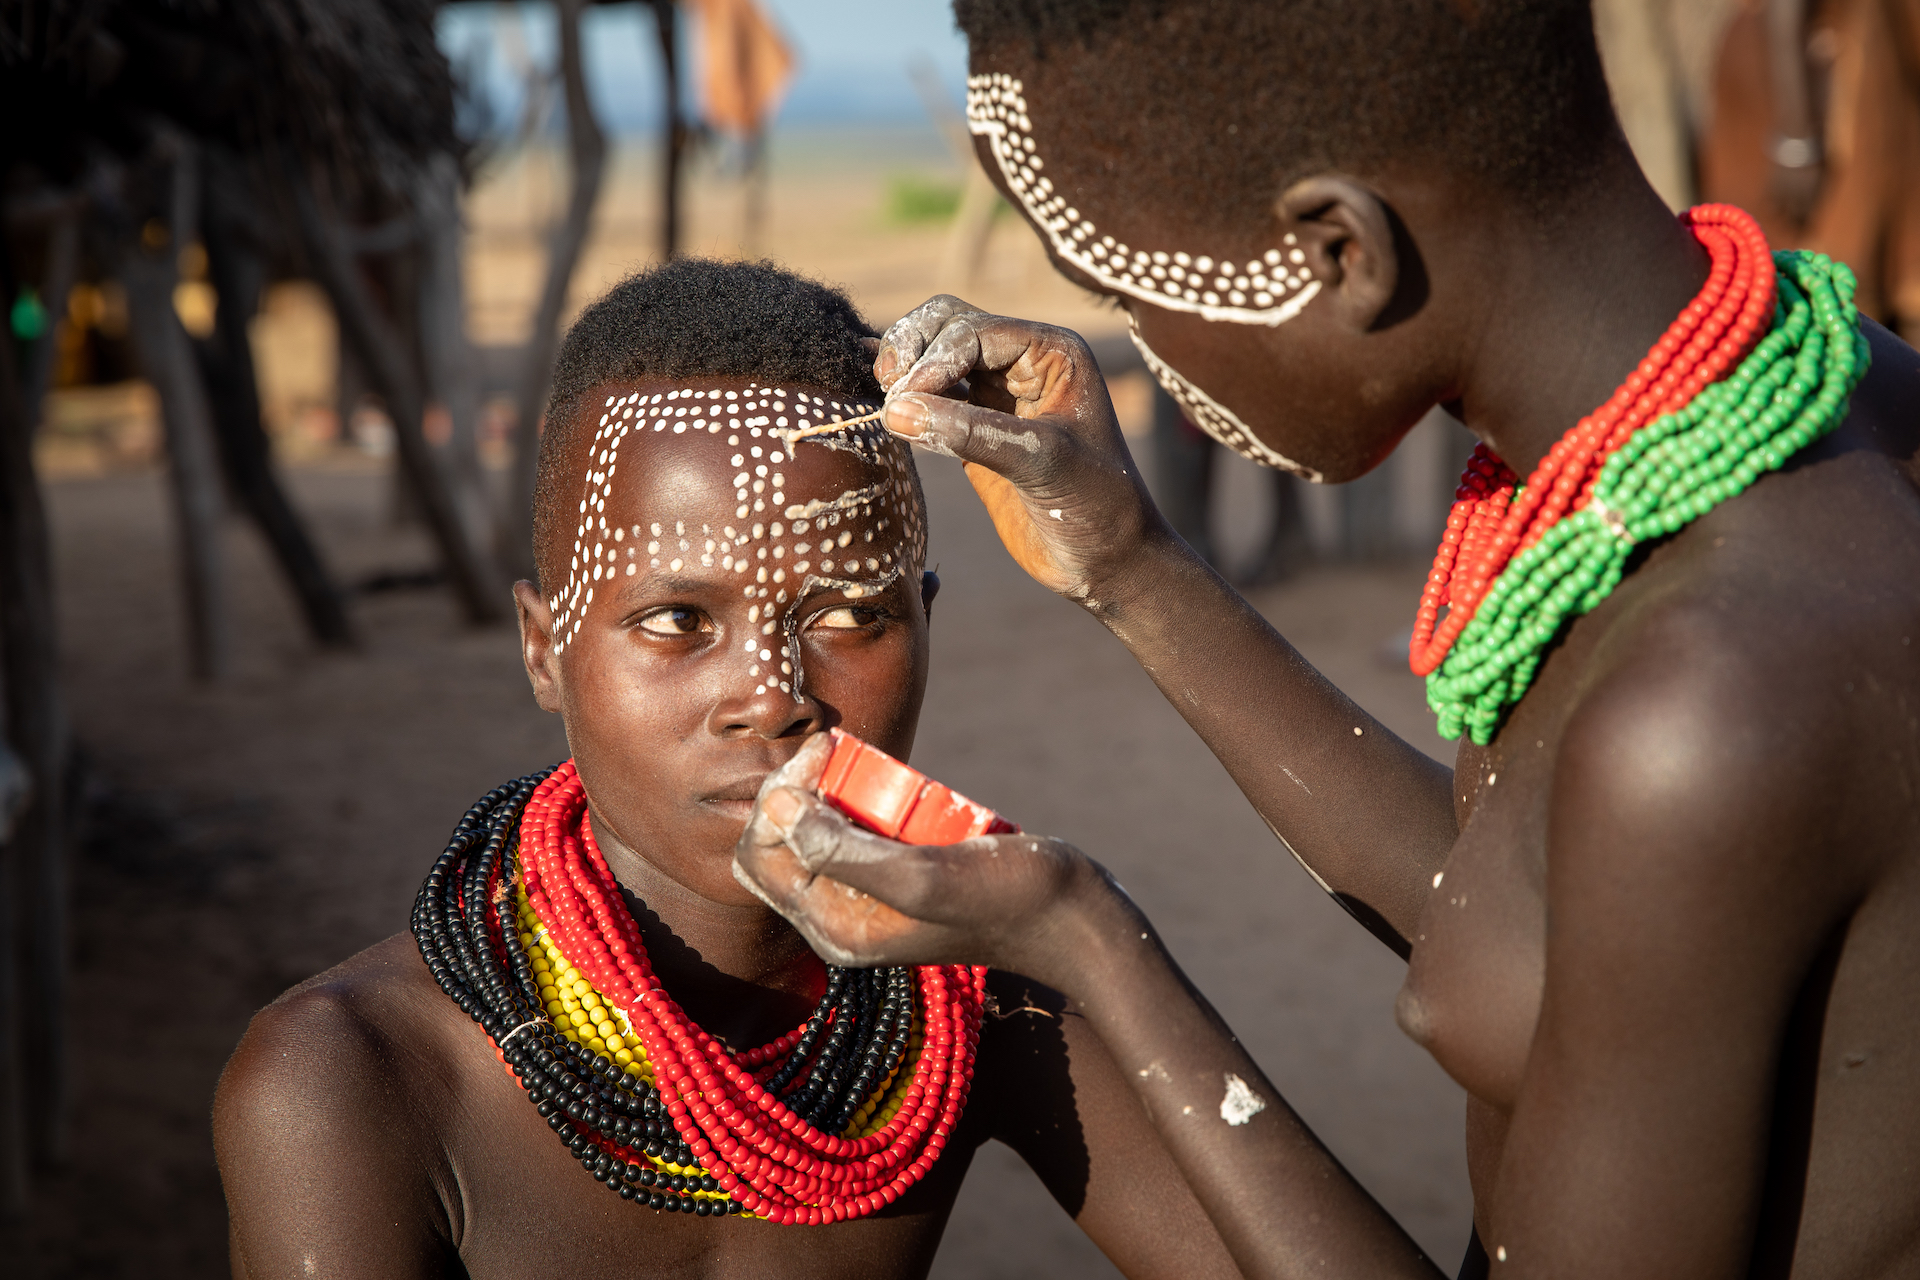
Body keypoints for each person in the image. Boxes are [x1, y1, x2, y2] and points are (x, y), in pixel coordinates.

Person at [731, 3, 1920, 1278]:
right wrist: (1131, 563)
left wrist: (1085, 943)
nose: (1152, 357)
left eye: (1131, 291)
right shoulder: (1830, 400)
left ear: (1341, 250)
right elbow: (1560, 919)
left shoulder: (1712, 704)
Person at [211, 260, 1237, 1279]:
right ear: (544, 649)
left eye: (852, 613)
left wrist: (1099, 940)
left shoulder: (971, 993)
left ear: (927, 622)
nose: (772, 695)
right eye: (676, 620)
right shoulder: (349, 1078)